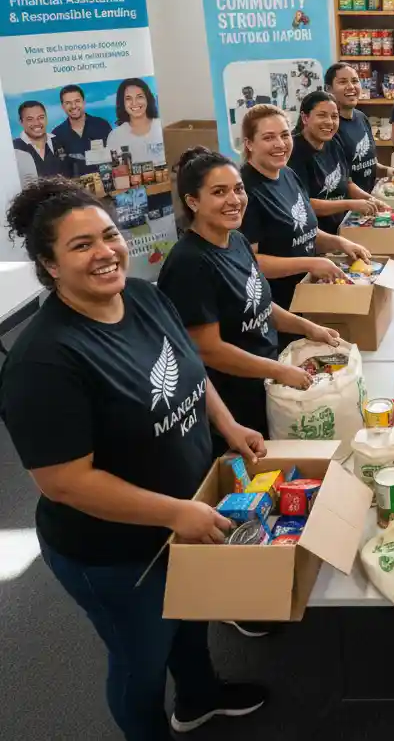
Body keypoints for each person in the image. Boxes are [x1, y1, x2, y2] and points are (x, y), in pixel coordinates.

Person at [0, 178, 268, 741]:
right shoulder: (43, 361)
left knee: (192, 619)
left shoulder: (145, 297)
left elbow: (189, 366)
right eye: (81, 246)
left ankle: (200, 699)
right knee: (140, 658)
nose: (105, 252)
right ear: (49, 265)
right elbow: (64, 483)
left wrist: (228, 425)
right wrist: (174, 514)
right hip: (112, 551)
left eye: (109, 235)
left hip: (185, 513)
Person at [159, 147, 346, 443]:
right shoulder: (189, 264)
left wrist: (307, 328)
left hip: (266, 383)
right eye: (219, 192)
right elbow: (209, 350)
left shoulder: (237, 240)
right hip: (233, 403)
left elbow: (258, 304)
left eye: (238, 189)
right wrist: (280, 371)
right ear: (192, 201)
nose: (234, 200)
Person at [237, 104, 370, 311]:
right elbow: (252, 262)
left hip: (307, 293)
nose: (280, 144)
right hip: (278, 306)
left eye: (284, 135)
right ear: (249, 144)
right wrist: (310, 263)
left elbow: (303, 230)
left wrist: (338, 242)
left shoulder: (287, 174)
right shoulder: (244, 191)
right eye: (268, 138)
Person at [288, 90, 387, 233]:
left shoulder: (334, 143)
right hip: (315, 236)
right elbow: (304, 204)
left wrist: (370, 200)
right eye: (321, 115)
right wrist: (350, 204)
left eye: (334, 116)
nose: (329, 122)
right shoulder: (294, 152)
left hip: (343, 229)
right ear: (305, 118)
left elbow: (347, 182)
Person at [326, 62, 394, 195]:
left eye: (355, 81)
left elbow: (366, 163)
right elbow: (337, 179)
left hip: (368, 204)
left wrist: (386, 171)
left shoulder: (361, 118)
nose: (351, 87)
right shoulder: (329, 128)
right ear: (329, 89)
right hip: (347, 208)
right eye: (342, 82)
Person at [51, 84, 113, 178]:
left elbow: (114, 155)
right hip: (77, 190)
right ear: (62, 106)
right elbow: (60, 171)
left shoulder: (102, 125)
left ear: (84, 102)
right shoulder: (57, 135)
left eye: (77, 101)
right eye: (68, 103)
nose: (73, 106)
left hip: (106, 184)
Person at [106, 78, 164, 165]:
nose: (134, 103)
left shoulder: (162, 126)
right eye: (128, 98)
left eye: (139, 97)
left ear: (147, 99)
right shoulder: (115, 136)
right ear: (122, 103)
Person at [12, 99, 65, 183]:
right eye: (30, 119)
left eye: (41, 117)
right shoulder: (13, 150)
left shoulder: (59, 142)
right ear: (21, 122)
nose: (36, 123)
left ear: (46, 118)